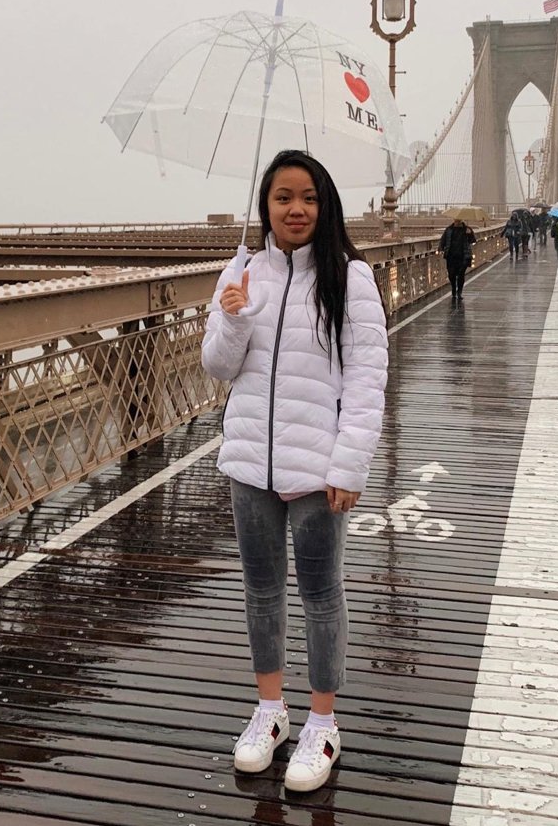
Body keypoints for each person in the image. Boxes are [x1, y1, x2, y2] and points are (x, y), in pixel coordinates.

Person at [201, 149, 388, 793]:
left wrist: (350, 463)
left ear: (325, 204)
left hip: (318, 467)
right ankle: (269, 710)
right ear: (266, 206)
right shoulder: (243, 271)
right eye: (283, 197)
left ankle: (323, 721)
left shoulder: (350, 278)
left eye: (307, 197)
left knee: (320, 594)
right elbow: (220, 367)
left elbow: (367, 380)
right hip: (251, 461)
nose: (296, 209)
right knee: (260, 590)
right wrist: (231, 316)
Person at [439, 217, 477, 307]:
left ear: (461, 221)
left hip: (463, 256)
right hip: (451, 256)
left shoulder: (467, 229)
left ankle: (459, 292)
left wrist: (470, 233)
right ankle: (453, 288)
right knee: (451, 274)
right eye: (456, 220)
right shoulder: (448, 229)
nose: (457, 222)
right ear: (454, 220)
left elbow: (473, 240)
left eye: (459, 221)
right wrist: (441, 248)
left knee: (460, 274)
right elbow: (443, 240)